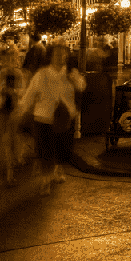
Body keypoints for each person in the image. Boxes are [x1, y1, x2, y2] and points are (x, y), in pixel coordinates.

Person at [16, 44, 83, 196]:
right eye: (57, 54)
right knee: (46, 152)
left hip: (65, 119)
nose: (61, 57)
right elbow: (30, 94)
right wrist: (21, 110)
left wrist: (76, 79)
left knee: (62, 149)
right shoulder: (42, 74)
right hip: (44, 118)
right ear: (51, 56)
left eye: (64, 54)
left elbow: (82, 86)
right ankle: (46, 180)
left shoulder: (70, 74)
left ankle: (58, 168)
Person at [0, 46, 24, 184]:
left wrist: (14, 92)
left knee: (10, 141)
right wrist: (0, 89)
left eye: (13, 58)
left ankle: (10, 173)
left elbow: (22, 91)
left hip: (13, 108)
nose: (10, 61)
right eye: (8, 58)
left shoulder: (18, 74)